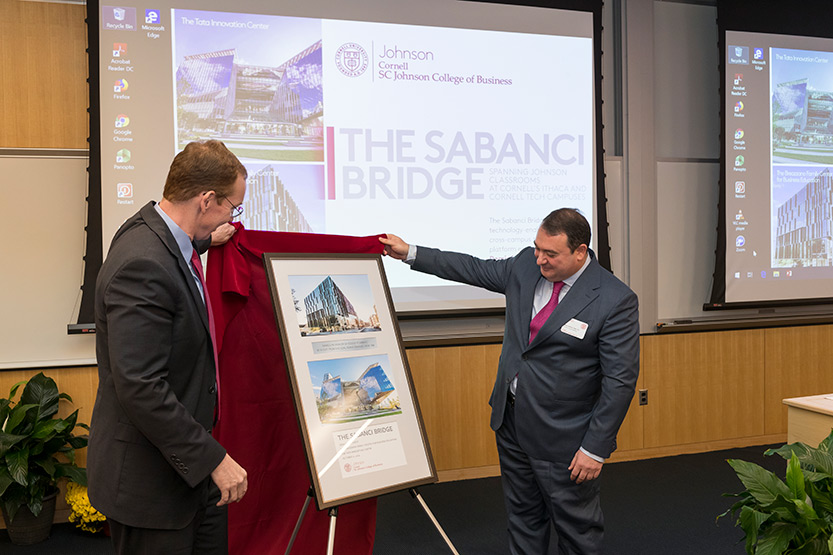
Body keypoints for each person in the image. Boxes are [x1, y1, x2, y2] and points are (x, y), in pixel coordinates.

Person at [380, 208, 639, 555]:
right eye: (537, 248)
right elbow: (471, 267)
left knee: (575, 528)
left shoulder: (614, 298)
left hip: (564, 436)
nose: (540, 260)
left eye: (551, 254)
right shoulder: (524, 266)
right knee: (523, 519)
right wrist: (411, 252)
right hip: (512, 422)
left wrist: (595, 448)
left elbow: (620, 380)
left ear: (580, 252)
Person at [88, 140, 249, 555]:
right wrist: (214, 459)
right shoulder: (142, 264)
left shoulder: (158, 233)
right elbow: (141, 386)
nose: (233, 215)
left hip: (187, 475)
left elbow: (177, 259)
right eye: (233, 206)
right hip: (152, 488)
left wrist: (207, 241)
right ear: (206, 199)